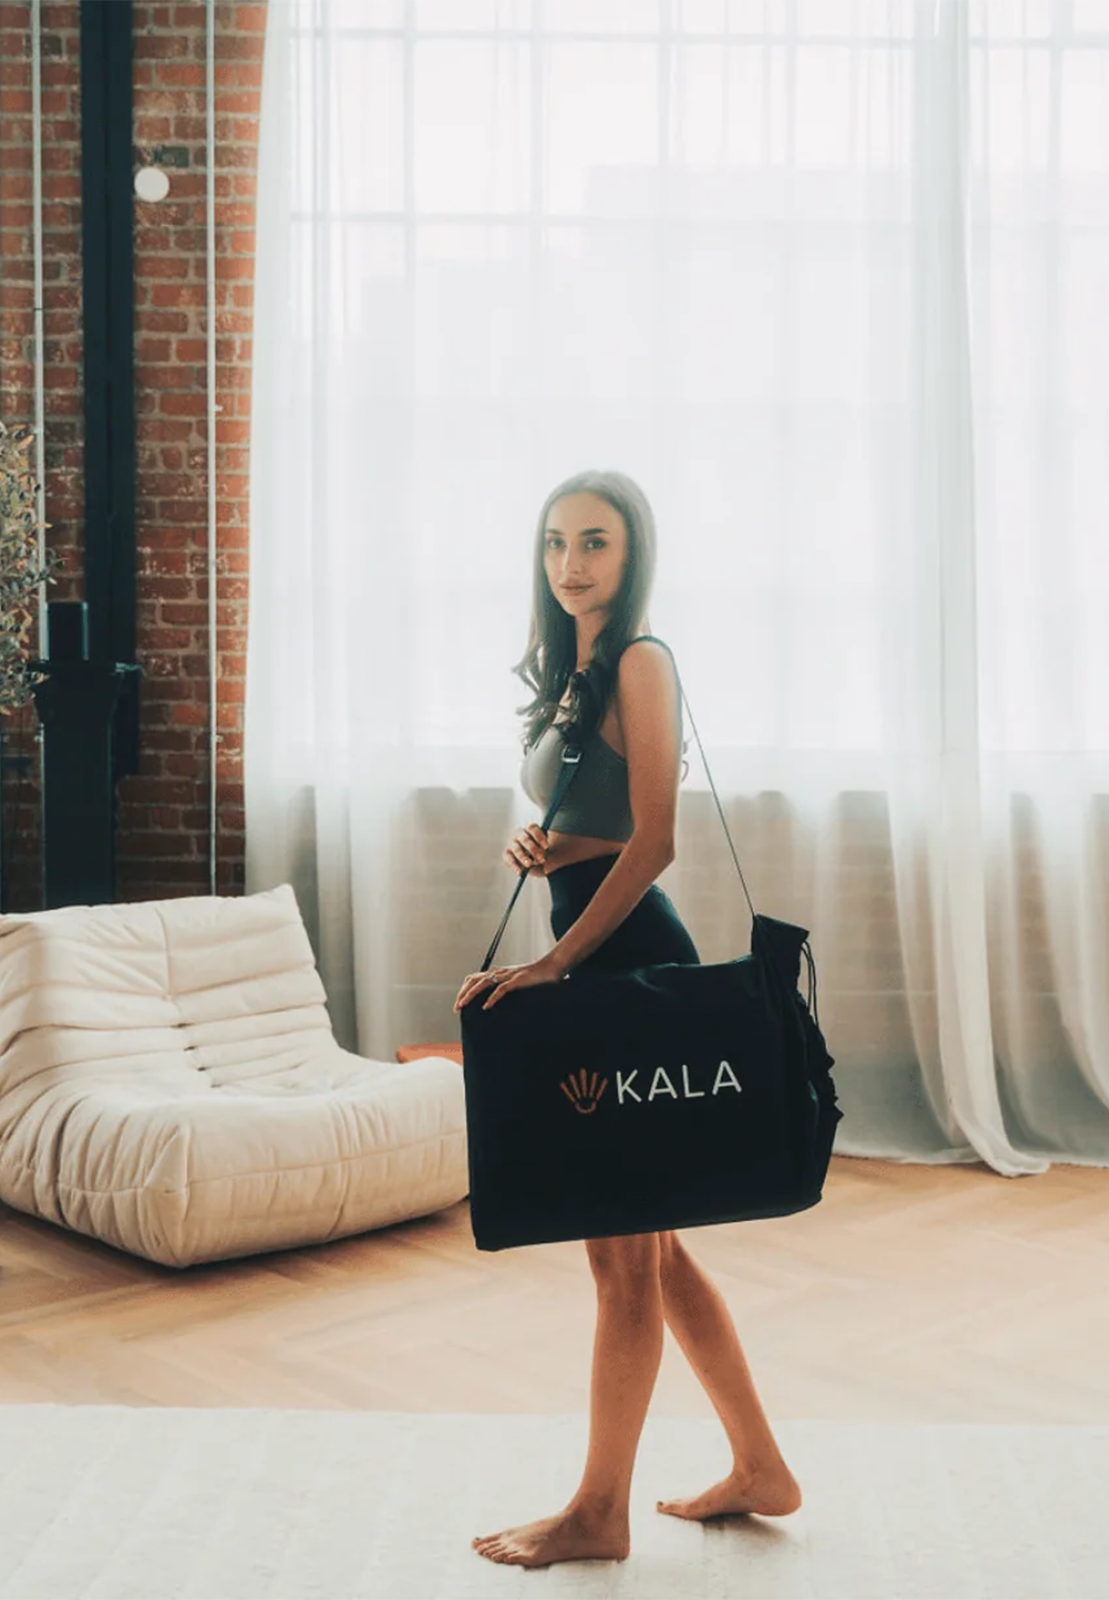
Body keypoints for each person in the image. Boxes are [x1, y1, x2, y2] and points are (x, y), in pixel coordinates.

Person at [453, 469, 801, 1570]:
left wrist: (555, 961)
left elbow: (657, 840)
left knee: (621, 1256)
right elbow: (605, 828)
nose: (571, 564)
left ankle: (600, 1511)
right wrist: (545, 847)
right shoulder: (580, 673)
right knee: (652, 1248)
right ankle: (759, 1465)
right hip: (597, 956)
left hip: (629, 962)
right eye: (555, 542)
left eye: (594, 542)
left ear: (631, 553)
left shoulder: (643, 661)